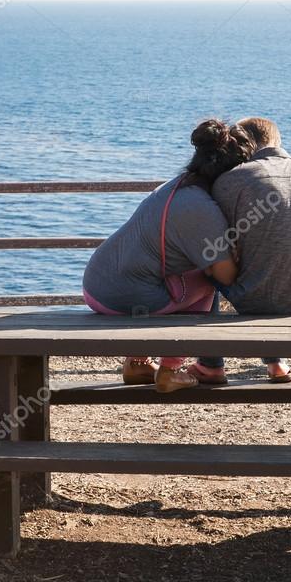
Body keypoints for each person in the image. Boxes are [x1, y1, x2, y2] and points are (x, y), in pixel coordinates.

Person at [82, 119, 257, 392]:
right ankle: (170, 370)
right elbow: (227, 275)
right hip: (121, 297)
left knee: (189, 274)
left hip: (96, 284)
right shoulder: (201, 209)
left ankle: (138, 363)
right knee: (208, 281)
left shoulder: (175, 187)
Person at [187, 117, 291, 384]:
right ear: (277, 140)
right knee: (270, 269)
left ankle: (210, 364)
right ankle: (277, 365)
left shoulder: (229, 181)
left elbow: (217, 249)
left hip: (257, 301)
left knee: (208, 263)